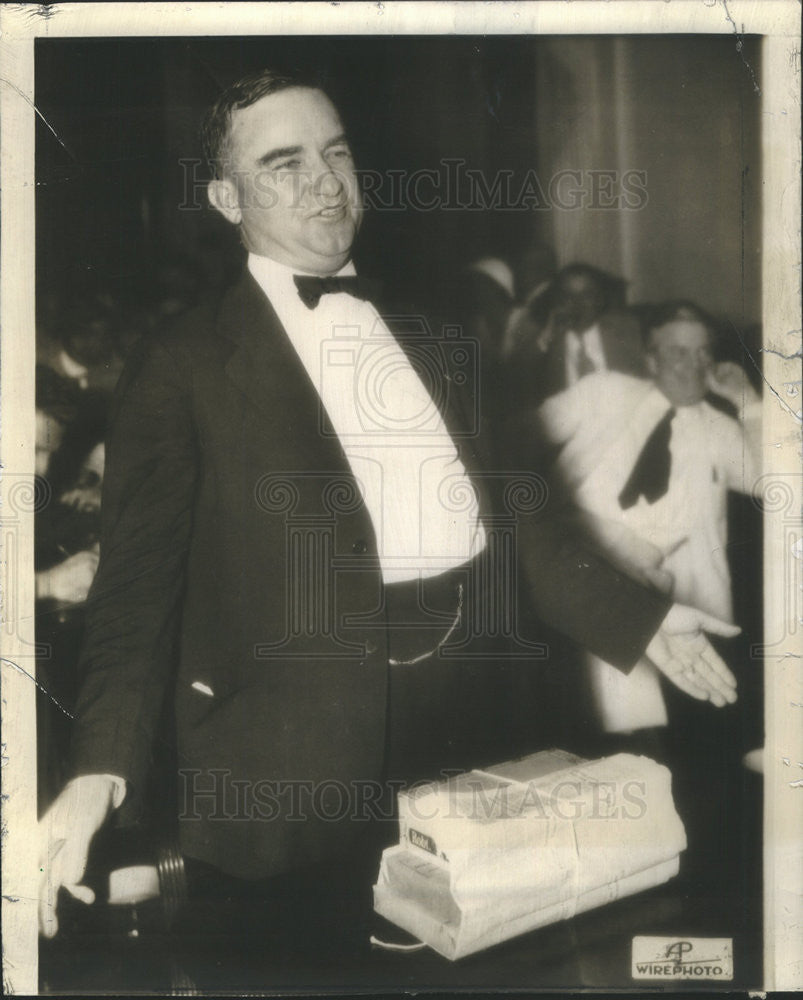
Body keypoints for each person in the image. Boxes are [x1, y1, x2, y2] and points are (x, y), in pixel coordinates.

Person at [38, 70, 740, 946]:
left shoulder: (434, 333)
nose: (325, 181)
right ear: (226, 197)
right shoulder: (178, 364)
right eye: (284, 163)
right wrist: (98, 768)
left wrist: (642, 621)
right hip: (289, 768)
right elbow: (136, 591)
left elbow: (516, 527)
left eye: (335, 152)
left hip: (471, 730)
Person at [533, 300, 761, 735]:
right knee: (597, 736)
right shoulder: (605, 391)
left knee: (681, 741)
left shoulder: (722, 429)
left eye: (704, 352)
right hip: (591, 589)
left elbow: (782, 483)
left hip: (686, 609)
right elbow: (518, 437)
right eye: (679, 351)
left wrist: (746, 399)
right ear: (651, 357)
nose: (695, 364)